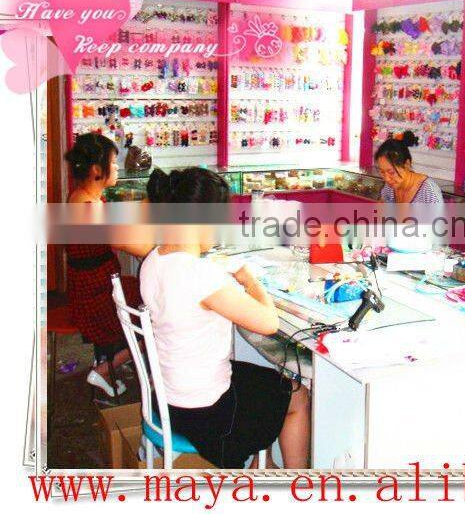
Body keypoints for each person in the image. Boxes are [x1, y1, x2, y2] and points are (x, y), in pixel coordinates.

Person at [140, 167, 310, 469]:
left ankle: (264, 465)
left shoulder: (154, 260)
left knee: (265, 383)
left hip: (168, 396)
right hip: (208, 413)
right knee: (297, 395)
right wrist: (249, 279)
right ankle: (294, 484)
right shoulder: (199, 275)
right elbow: (269, 323)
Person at [64, 134, 152, 397]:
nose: (116, 168)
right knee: (159, 310)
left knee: (143, 290)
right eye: (113, 163)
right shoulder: (90, 208)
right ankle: (105, 369)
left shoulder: (81, 197)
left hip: (91, 289)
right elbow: (137, 247)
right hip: (96, 299)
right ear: (96, 169)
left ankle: (115, 360)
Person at [375, 131, 443, 204]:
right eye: (382, 172)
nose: (387, 179)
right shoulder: (390, 186)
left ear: (407, 164)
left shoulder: (428, 191)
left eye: (391, 172)